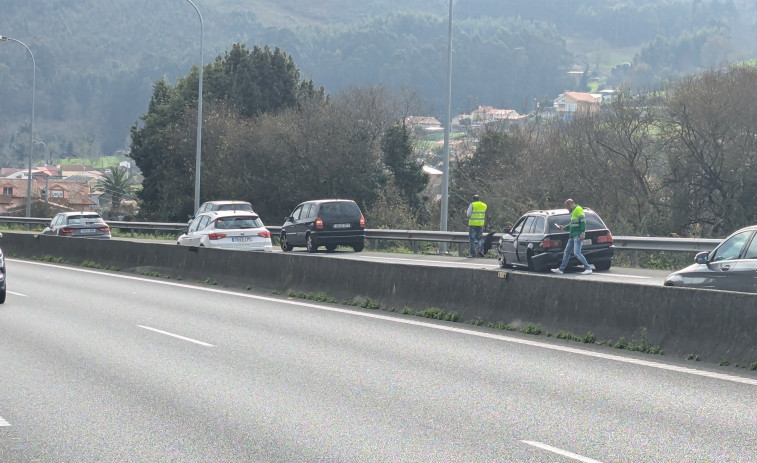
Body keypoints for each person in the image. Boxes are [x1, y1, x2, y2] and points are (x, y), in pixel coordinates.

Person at [551, 199, 592, 275]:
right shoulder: (573, 212)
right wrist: (564, 228)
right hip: (572, 235)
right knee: (566, 252)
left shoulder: (578, 210)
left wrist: (583, 233)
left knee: (577, 253)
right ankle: (561, 269)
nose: (567, 209)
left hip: (577, 235)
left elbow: (583, 221)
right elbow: (572, 224)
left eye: (567, 207)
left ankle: (588, 268)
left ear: (570, 204)